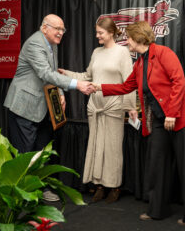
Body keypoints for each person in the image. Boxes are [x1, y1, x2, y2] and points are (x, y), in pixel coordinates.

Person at [95, 21, 185, 225]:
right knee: (157, 164)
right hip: (159, 120)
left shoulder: (164, 53)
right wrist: (97, 87)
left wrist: (172, 114)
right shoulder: (139, 63)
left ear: (138, 38)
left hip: (180, 117)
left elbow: (178, 82)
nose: (126, 42)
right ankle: (158, 210)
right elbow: (124, 87)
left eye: (128, 38)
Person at [4, 14, 95, 202]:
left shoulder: (50, 43)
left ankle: (40, 188)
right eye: (57, 29)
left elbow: (51, 73)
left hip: (43, 108)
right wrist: (76, 85)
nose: (61, 33)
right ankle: (22, 195)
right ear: (44, 27)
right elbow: (44, 72)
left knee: (42, 151)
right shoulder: (35, 44)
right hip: (25, 107)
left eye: (63, 30)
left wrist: (61, 93)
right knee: (25, 154)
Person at [58, 17, 137, 203]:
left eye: (100, 32)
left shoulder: (122, 52)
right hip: (94, 107)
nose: (97, 36)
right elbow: (87, 76)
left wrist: (131, 107)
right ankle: (99, 185)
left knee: (112, 148)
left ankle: (114, 186)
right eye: (96, 32)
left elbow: (129, 81)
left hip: (113, 107)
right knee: (96, 147)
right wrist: (66, 74)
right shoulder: (96, 52)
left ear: (111, 33)